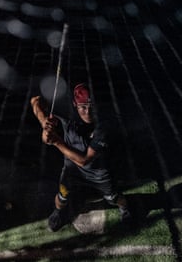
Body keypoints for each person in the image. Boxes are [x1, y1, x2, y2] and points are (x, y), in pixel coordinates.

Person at [30, 83, 131, 232]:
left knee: (113, 198)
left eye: (91, 106)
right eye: (83, 106)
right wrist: (44, 122)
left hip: (98, 170)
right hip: (72, 168)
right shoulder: (66, 111)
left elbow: (84, 160)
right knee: (62, 195)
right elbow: (35, 100)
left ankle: (125, 209)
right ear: (75, 104)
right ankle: (58, 213)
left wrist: (56, 141)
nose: (88, 111)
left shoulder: (105, 124)